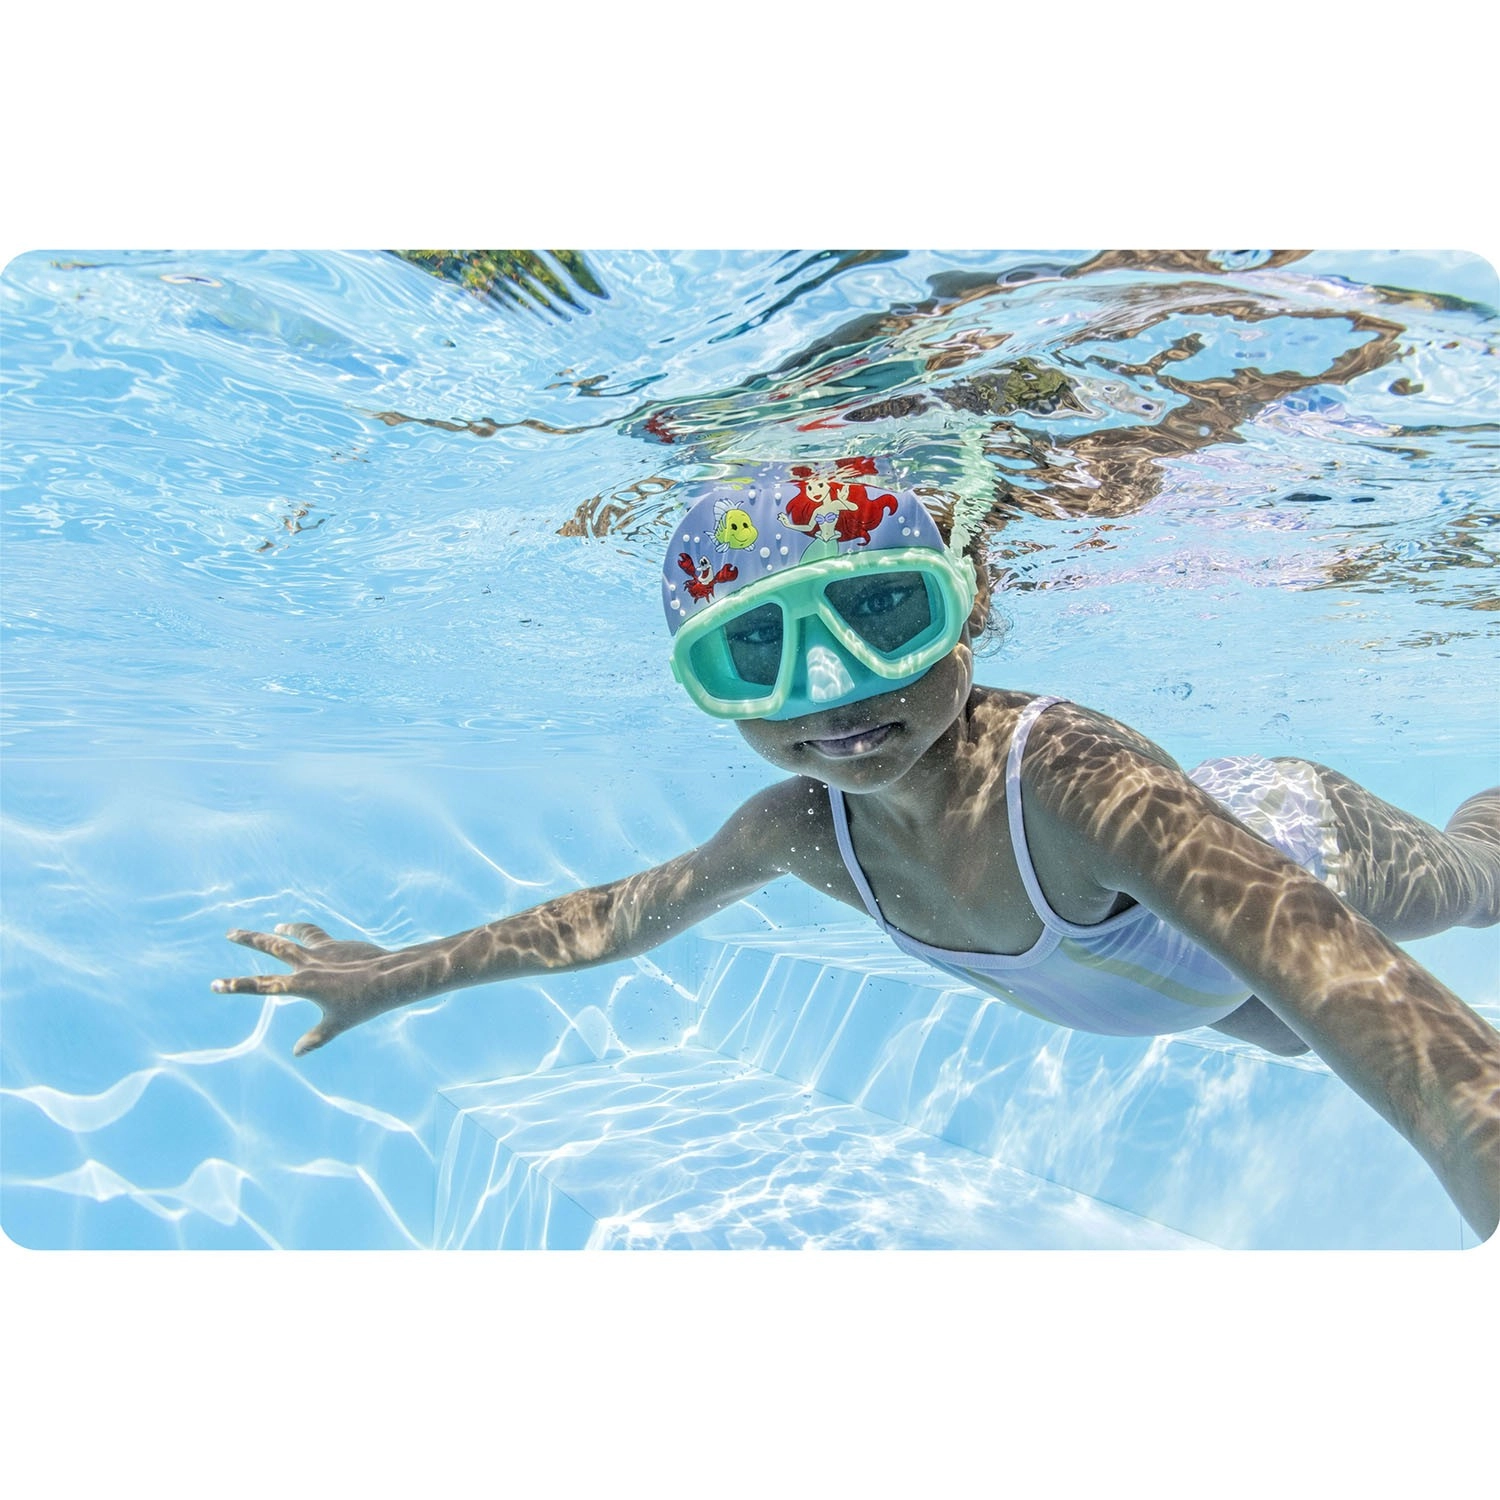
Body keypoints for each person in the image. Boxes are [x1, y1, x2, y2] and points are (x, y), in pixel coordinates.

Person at [213, 461, 1500, 1237]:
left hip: (1296, 850)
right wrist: (395, 973)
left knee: (1470, 890)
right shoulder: (800, 830)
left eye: (884, 613)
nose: (833, 693)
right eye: (756, 653)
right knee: (1279, 1031)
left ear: (965, 616)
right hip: (1172, 980)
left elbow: (1344, 976)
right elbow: (616, 917)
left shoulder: (1069, 777)